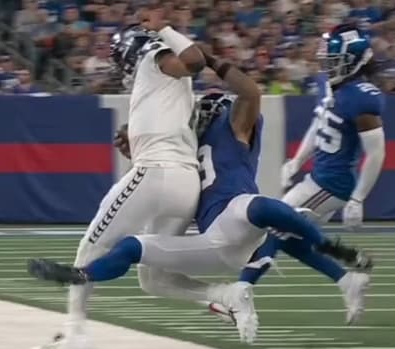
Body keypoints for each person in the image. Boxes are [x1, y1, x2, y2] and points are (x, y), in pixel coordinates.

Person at [27, 47, 368, 345]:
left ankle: (331, 251)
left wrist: (212, 60)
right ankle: (83, 275)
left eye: (209, 110)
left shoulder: (236, 126)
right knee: (133, 250)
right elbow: (167, 160)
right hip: (212, 238)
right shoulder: (188, 144)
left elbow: (250, 93)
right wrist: (135, 146)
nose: (202, 116)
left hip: (234, 215)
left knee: (262, 208)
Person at [32, 7, 207, 349]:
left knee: (92, 247)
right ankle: (224, 298)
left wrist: (165, 27)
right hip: (185, 180)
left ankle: (75, 334)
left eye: (122, 57)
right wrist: (137, 139)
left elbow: (195, 62)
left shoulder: (156, 57)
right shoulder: (171, 88)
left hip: (158, 173)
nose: (122, 66)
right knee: (155, 276)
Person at [239, 24, 386, 324]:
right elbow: (319, 125)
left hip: (332, 185)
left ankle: (239, 294)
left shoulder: (361, 97)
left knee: (274, 229)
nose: (328, 67)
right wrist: (296, 161)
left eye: (335, 61)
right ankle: (347, 278)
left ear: (354, 60)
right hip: (317, 179)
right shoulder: (333, 85)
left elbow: (377, 152)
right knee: (292, 238)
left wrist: (358, 199)